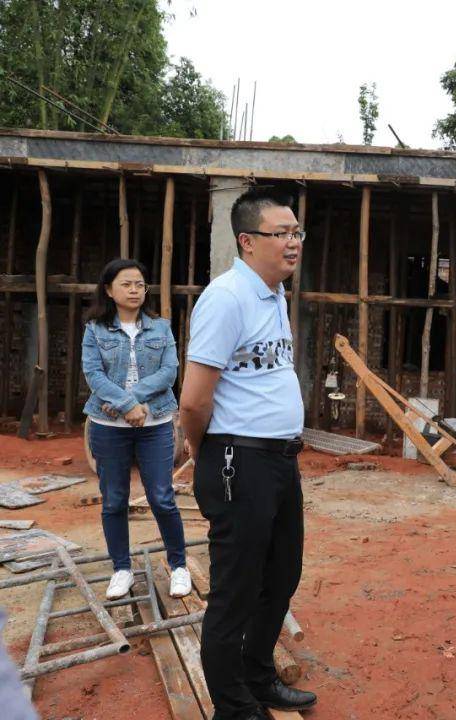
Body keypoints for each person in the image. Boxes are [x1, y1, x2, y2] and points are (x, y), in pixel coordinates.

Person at [180, 186, 315, 720]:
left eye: (296, 232)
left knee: (282, 573)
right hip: (239, 461)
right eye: (280, 233)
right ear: (247, 240)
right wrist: (203, 451)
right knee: (235, 590)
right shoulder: (227, 297)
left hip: (280, 461)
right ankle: (233, 708)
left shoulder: (273, 294)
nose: (292, 242)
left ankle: (259, 677)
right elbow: (193, 399)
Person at [81, 258, 189, 600]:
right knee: (114, 500)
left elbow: (170, 372)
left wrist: (132, 401)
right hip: (107, 426)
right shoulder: (94, 330)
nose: (134, 290)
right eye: (126, 284)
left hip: (154, 423)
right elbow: (93, 374)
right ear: (109, 290)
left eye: (140, 284)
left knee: (161, 497)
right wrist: (127, 406)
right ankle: (121, 569)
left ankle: (179, 565)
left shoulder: (161, 327)